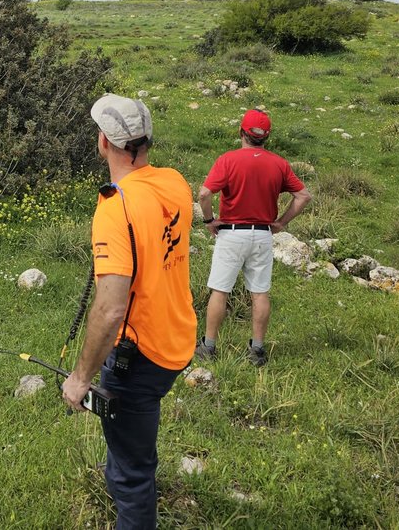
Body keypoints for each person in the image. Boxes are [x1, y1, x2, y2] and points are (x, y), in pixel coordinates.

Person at [62, 94, 195, 530]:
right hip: (178, 338)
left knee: (134, 474)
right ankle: (120, 466)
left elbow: (111, 306)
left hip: (140, 355)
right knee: (131, 440)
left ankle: (127, 488)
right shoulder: (174, 182)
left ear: (103, 141)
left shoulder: (114, 206)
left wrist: (80, 378)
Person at [195, 108, 312, 366]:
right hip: (262, 235)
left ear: (241, 132)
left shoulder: (227, 160)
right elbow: (303, 196)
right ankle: (257, 350)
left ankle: (209, 346)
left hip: (232, 234)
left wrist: (208, 220)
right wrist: (281, 222)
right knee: (260, 293)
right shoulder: (279, 163)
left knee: (220, 290)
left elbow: (204, 194)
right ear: (266, 137)